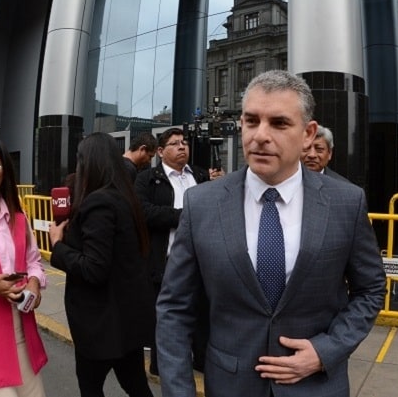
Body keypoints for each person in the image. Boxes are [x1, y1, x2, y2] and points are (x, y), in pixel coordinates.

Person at [156, 69, 386, 397]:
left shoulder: (346, 203)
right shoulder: (202, 203)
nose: (260, 136)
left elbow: (370, 290)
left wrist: (327, 350)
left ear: (308, 134)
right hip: (230, 385)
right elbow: (174, 309)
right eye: (251, 121)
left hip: (316, 388)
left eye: (279, 123)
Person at [48, 132, 155, 397]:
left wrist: (58, 245)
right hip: (125, 321)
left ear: (88, 162)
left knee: (92, 387)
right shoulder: (124, 198)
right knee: (136, 385)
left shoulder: (99, 202)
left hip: (101, 325)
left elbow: (93, 268)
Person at [134, 127, 222, 376]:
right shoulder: (148, 179)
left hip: (202, 260)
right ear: (161, 152)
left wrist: (220, 185)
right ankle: (162, 365)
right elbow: (143, 212)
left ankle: (201, 360)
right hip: (165, 261)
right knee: (166, 316)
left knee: (202, 313)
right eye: (174, 143)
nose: (182, 146)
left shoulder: (202, 175)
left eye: (184, 142)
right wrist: (185, 216)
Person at [0, 136, 48, 397]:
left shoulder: (18, 218)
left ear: (5, 171)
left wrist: (34, 284)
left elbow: (33, 261)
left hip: (22, 331)